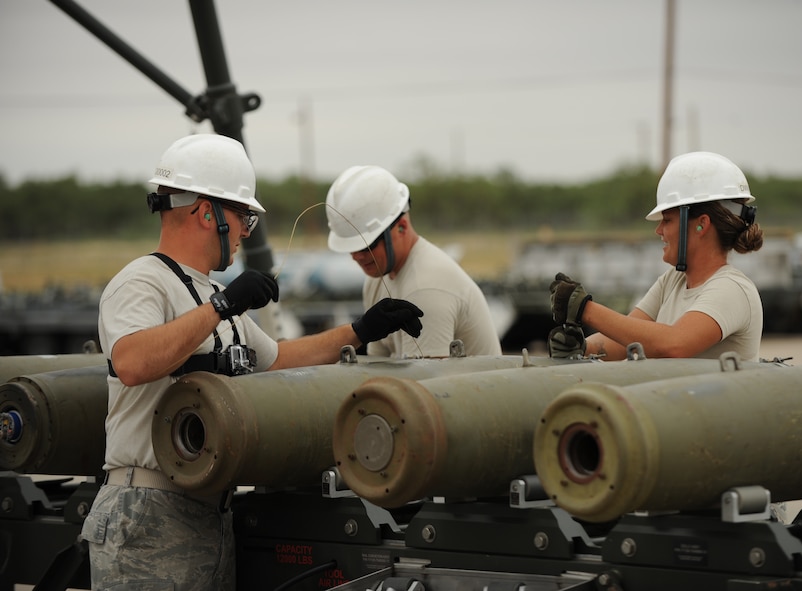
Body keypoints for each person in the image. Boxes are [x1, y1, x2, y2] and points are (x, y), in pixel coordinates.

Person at [79, 134, 423, 590]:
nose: (247, 231)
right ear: (207, 212)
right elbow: (133, 362)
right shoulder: (143, 284)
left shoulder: (205, 293)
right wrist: (221, 308)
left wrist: (360, 331)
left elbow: (279, 359)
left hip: (208, 511)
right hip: (147, 512)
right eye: (244, 216)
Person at [549, 151, 764, 362]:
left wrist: (585, 309)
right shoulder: (673, 281)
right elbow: (627, 341)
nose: (659, 230)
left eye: (667, 220)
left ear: (702, 224)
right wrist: (583, 348)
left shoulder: (732, 288)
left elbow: (673, 345)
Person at [325, 165, 502, 358]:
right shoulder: (376, 280)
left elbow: (427, 385)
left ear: (401, 227)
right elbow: (376, 365)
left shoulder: (425, 287)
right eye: (351, 248)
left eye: (367, 245)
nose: (356, 256)